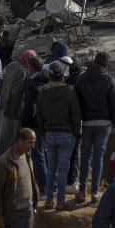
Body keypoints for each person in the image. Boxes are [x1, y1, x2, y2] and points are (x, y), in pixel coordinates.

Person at [73, 51, 115, 203]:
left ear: (94, 62)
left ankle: (82, 192)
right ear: (106, 65)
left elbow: (75, 102)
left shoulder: (81, 79)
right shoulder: (109, 79)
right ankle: (94, 192)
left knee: (86, 156)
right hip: (104, 123)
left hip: (87, 122)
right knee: (98, 157)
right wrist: (112, 120)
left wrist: (80, 119)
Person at [37, 62, 82, 210]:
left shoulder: (43, 92)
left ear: (49, 76)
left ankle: (49, 200)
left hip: (49, 134)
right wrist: (76, 133)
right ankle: (60, 201)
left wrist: (43, 134)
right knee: (63, 170)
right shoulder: (69, 93)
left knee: (51, 169)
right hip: (66, 135)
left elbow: (40, 116)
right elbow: (76, 115)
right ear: (62, 76)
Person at [0, 49, 37, 161]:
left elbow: (1, 82)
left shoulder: (12, 65)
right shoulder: (23, 72)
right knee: (9, 137)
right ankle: (6, 162)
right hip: (11, 109)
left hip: (2, 104)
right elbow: (16, 93)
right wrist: (19, 110)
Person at [20, 56, 49, 191]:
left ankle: (43, 187)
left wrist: (24, 123)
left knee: (38, 157)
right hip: (46, 123)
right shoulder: (46, 80)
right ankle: (51, 184)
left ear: (30, 68)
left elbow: (29, 108)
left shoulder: (31, 84)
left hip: (34, 124)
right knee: (47, 155)